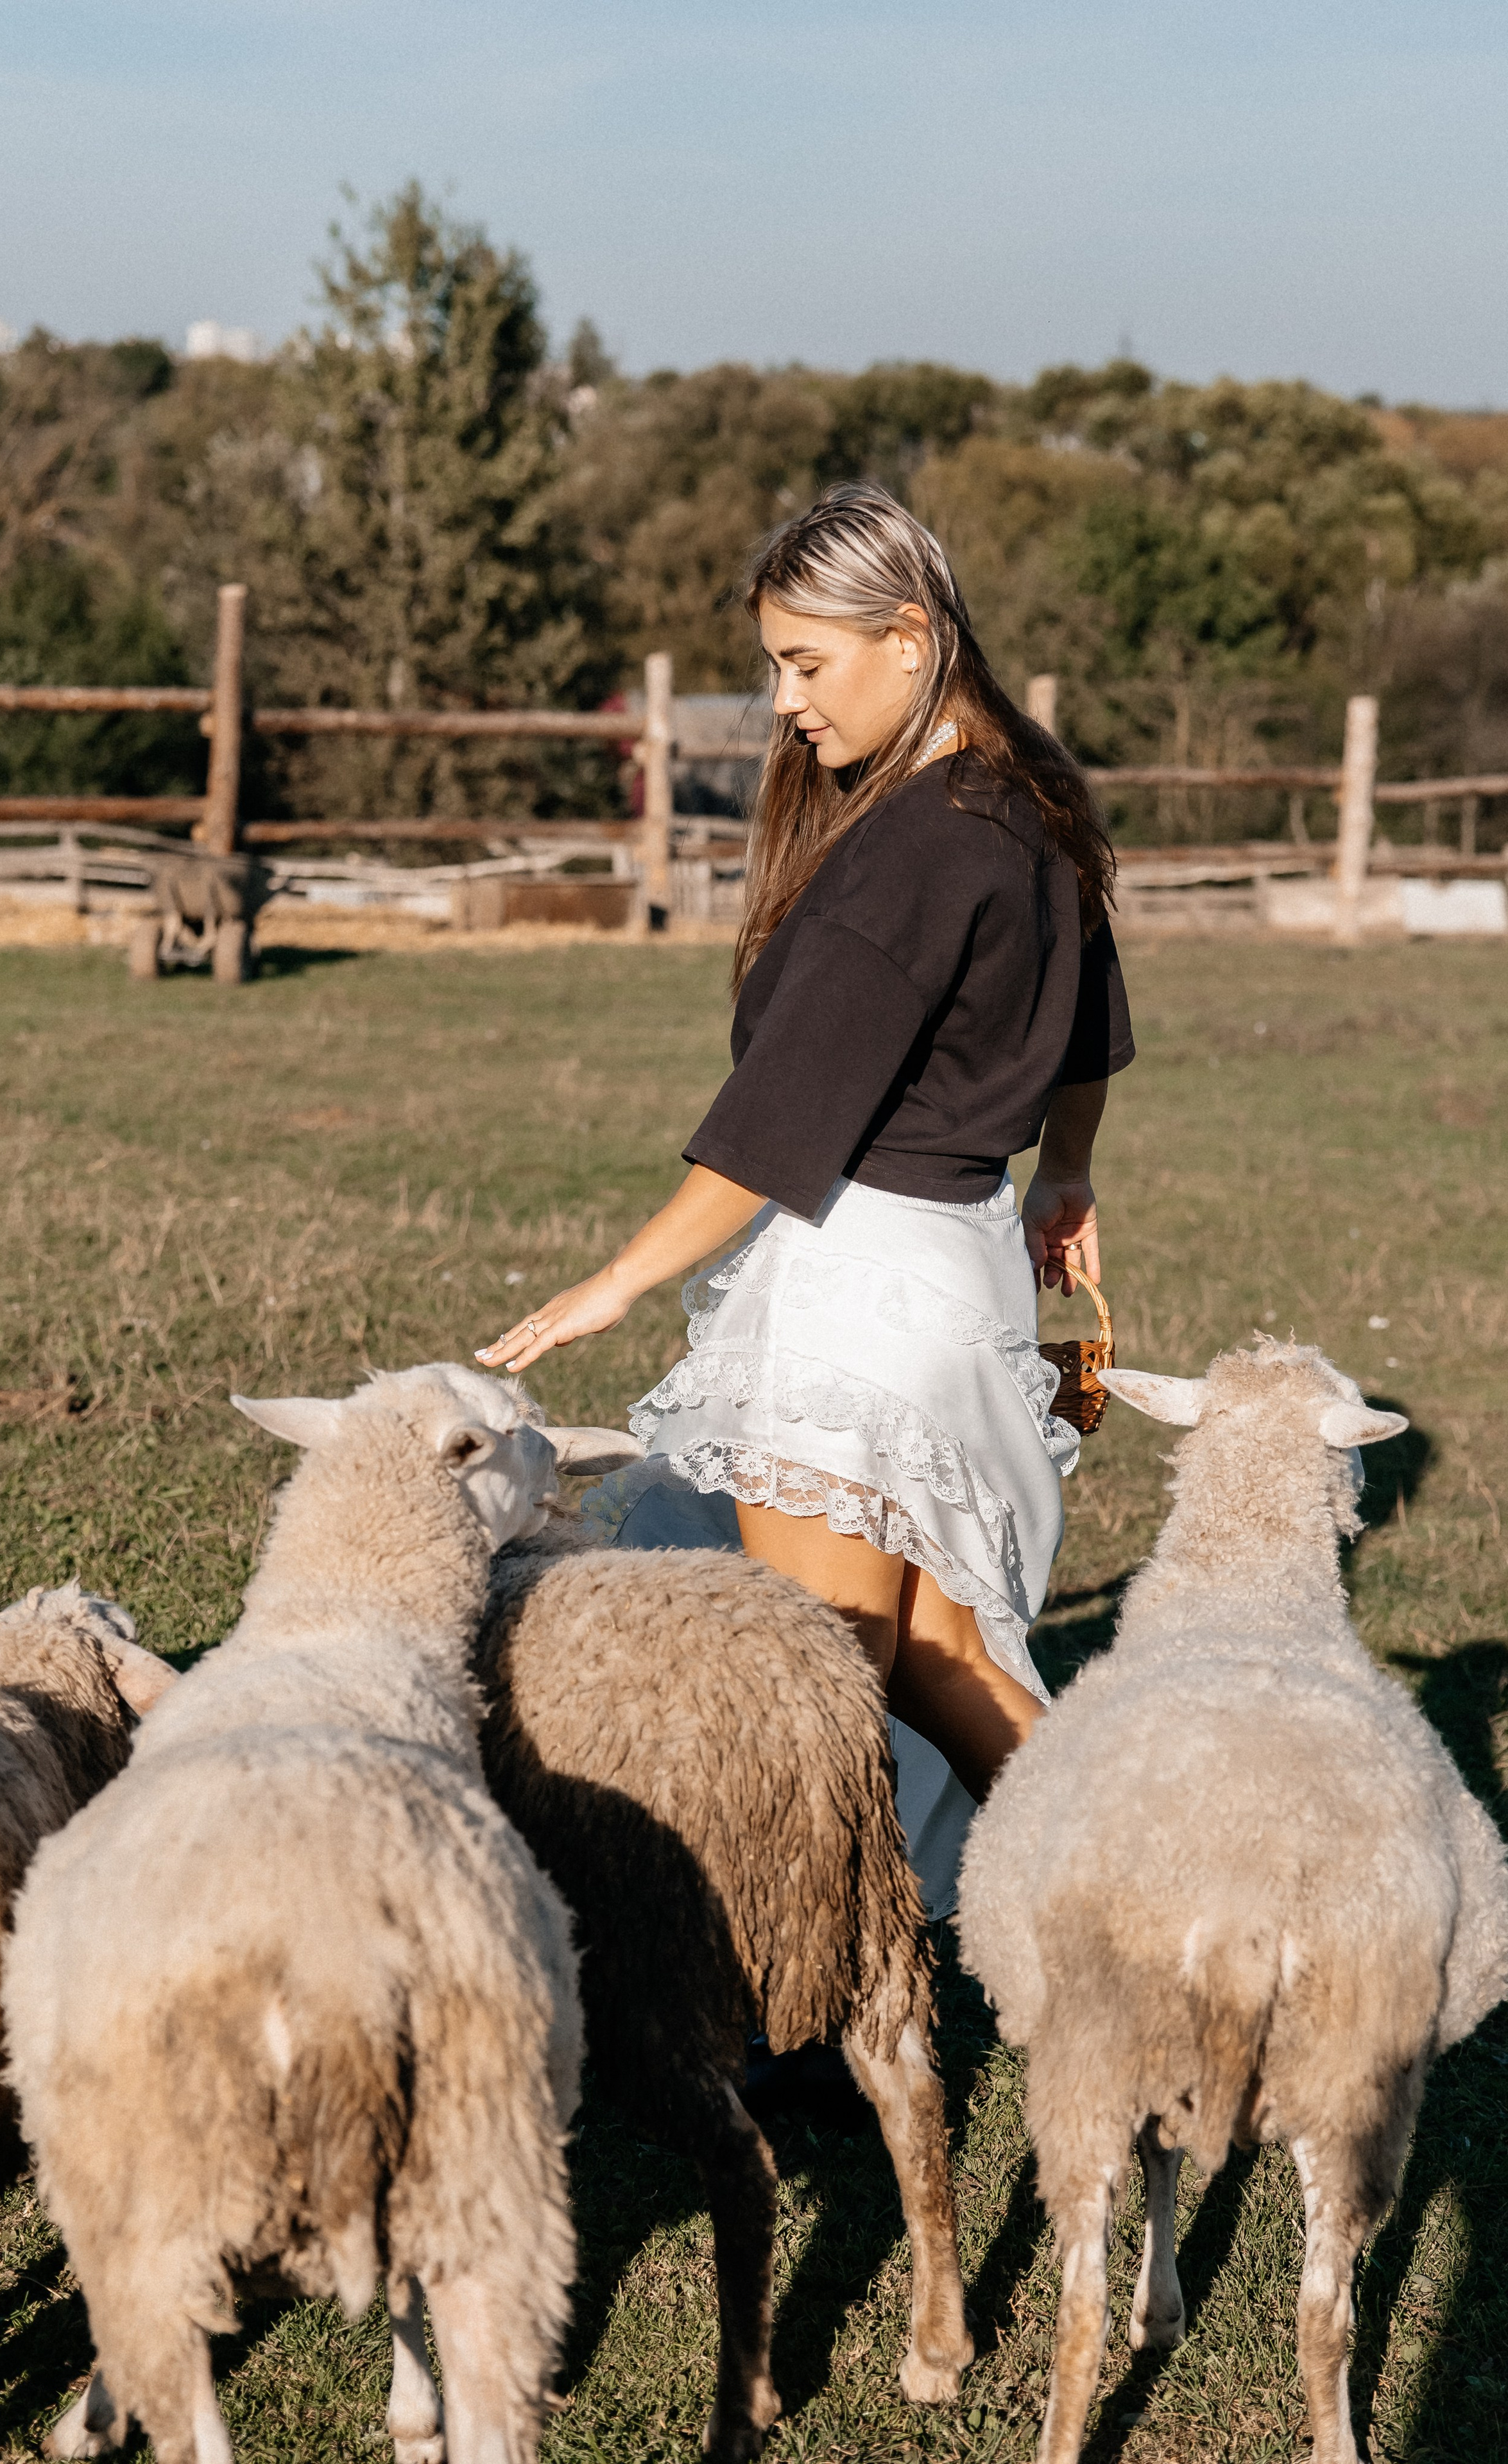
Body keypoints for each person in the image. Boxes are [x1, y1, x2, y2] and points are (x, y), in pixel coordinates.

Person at [480, 480, 1133, 1807]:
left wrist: (617, 1280)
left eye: (803, 662)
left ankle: (831, 1965)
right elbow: (1089, 1009)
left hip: (860, 1288)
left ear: (907, 635)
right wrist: (1062, 1169)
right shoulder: (1029, 797)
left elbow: (779, 1124)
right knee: (938, 1657)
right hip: (960, 1267)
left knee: (818, 1674)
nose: (783, 699)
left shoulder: (911, 850)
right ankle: (1119, 1886)